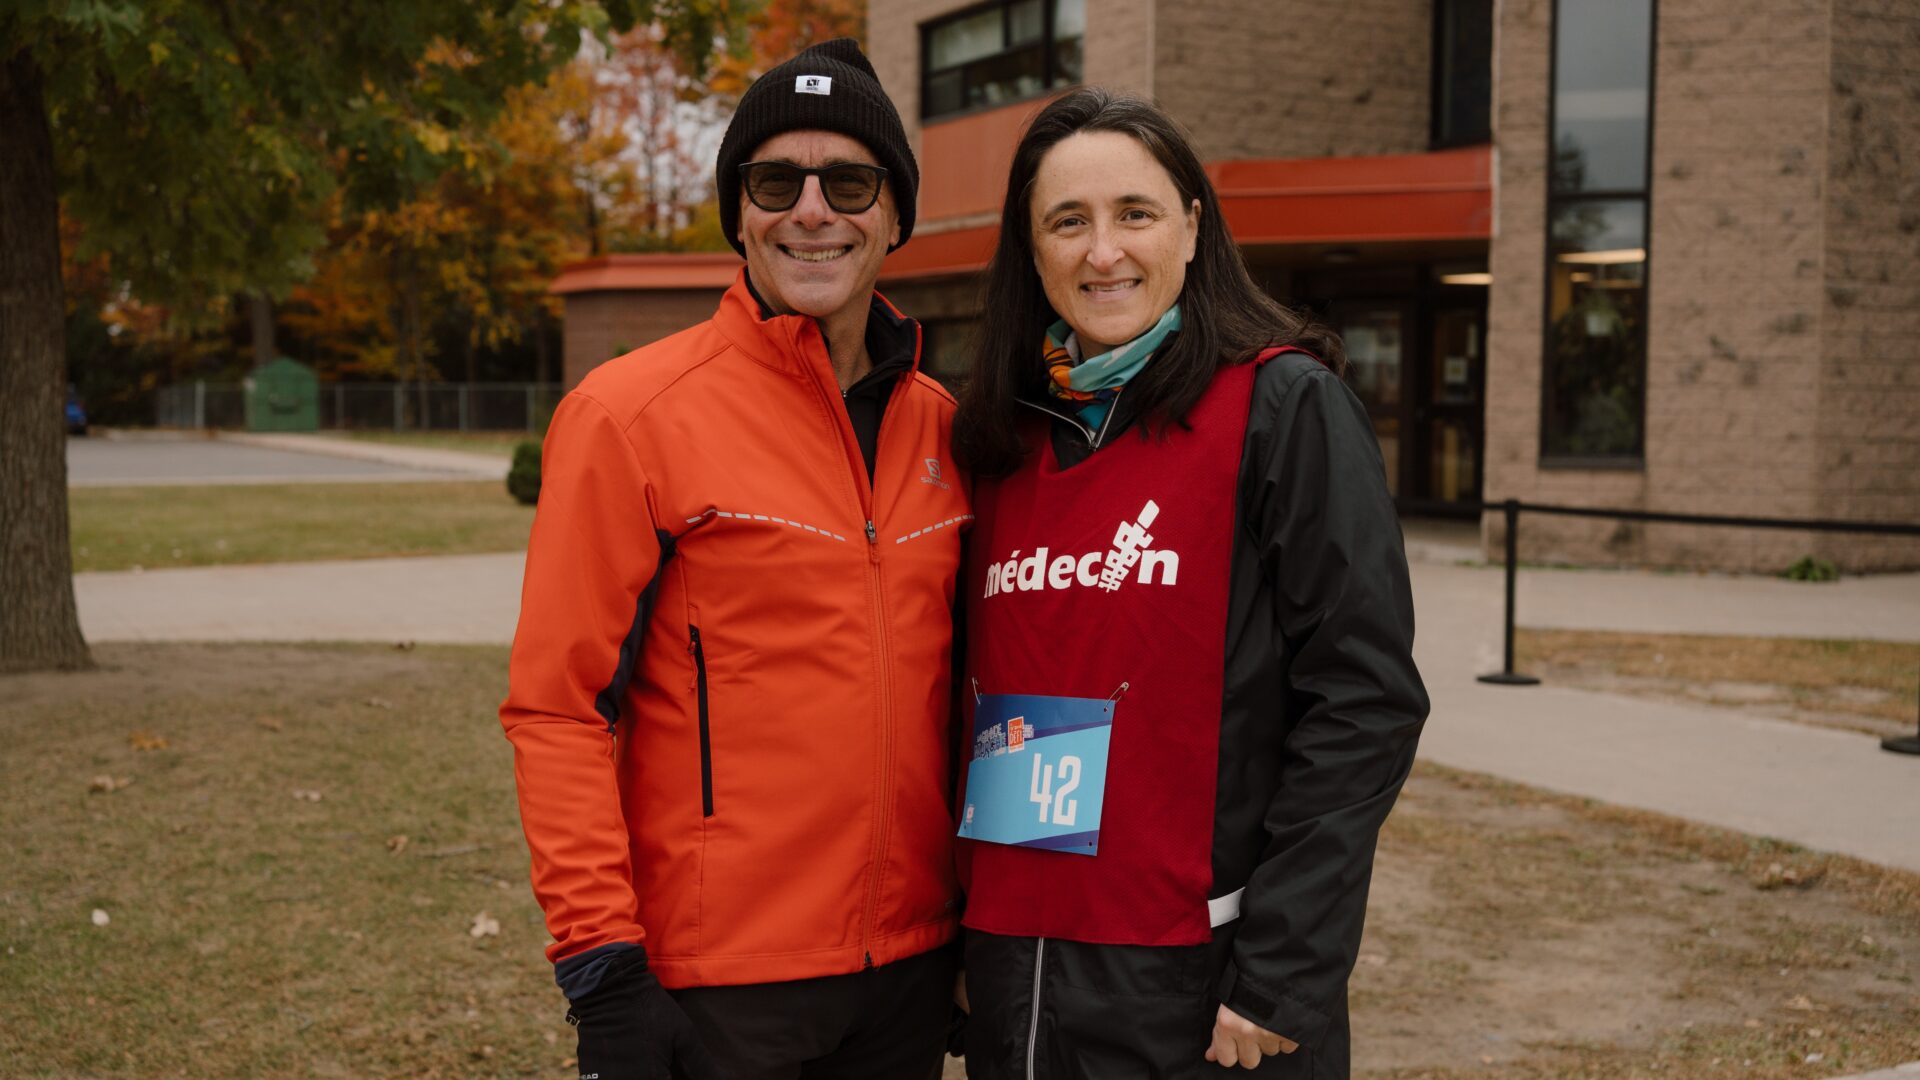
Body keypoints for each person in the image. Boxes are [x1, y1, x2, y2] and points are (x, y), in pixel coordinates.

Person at [500, 38, 972, 1080]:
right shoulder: (630, 416)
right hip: (716, 985)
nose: (812, 210)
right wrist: (600, 965)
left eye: (849, 181)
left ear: (894, 215)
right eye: (774, 181)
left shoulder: (948, 431)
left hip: (909, 976)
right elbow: (557, 708)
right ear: (739, 213)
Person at [948, 87, 1428, 1078]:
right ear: (1031, 250)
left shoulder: (1285, 407)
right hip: (1018, 975)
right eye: (1067, 221)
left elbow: (1364, 703)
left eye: (1135, 213)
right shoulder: (998, 441)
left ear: (1193, 227)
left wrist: (1284, 974)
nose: (1103, 251)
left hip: (1201, 986)